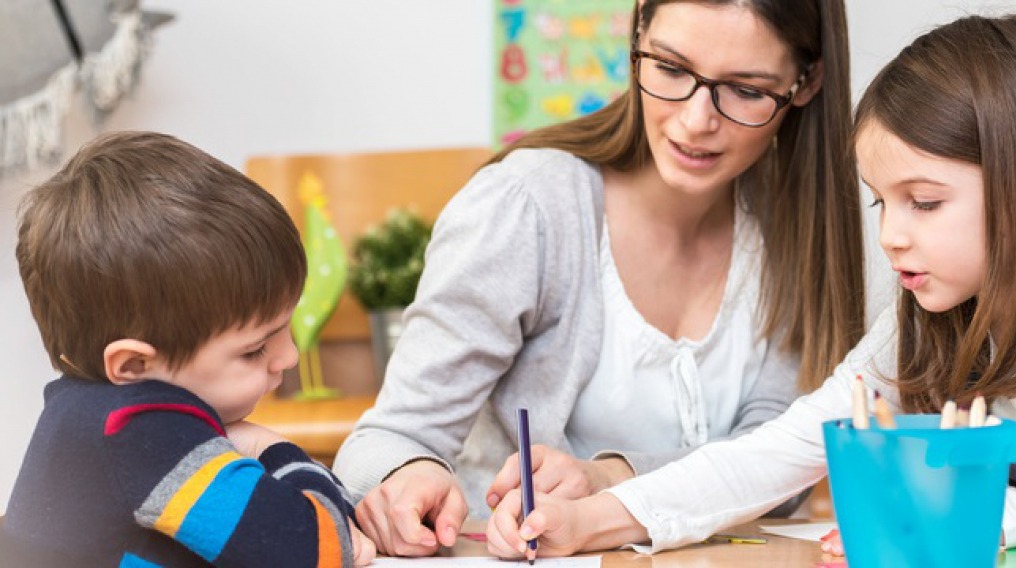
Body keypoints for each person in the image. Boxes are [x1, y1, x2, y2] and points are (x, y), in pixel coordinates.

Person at [485, 14, 1016, 560]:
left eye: (924, 202)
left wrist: (964, 520)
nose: (890, 236)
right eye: (880, 202)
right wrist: (591, 521)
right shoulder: (931, 306)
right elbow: (788, 446)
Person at [334, 0, 875, 557]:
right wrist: (409, 474)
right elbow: (386, 442)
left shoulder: (794, 228)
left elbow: (777, 470)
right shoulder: (528, 207)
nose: (695, 121)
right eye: (669, 68)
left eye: (747, 91)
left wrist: (611, 479)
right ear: (638, 27)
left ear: (806, 82)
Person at [2, 132, 375, 567]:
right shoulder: (140, 430)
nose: (289, 357)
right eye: (255, 350)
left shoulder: (81, 410)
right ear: (135, 365)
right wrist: (272, 448)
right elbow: (321, 548)